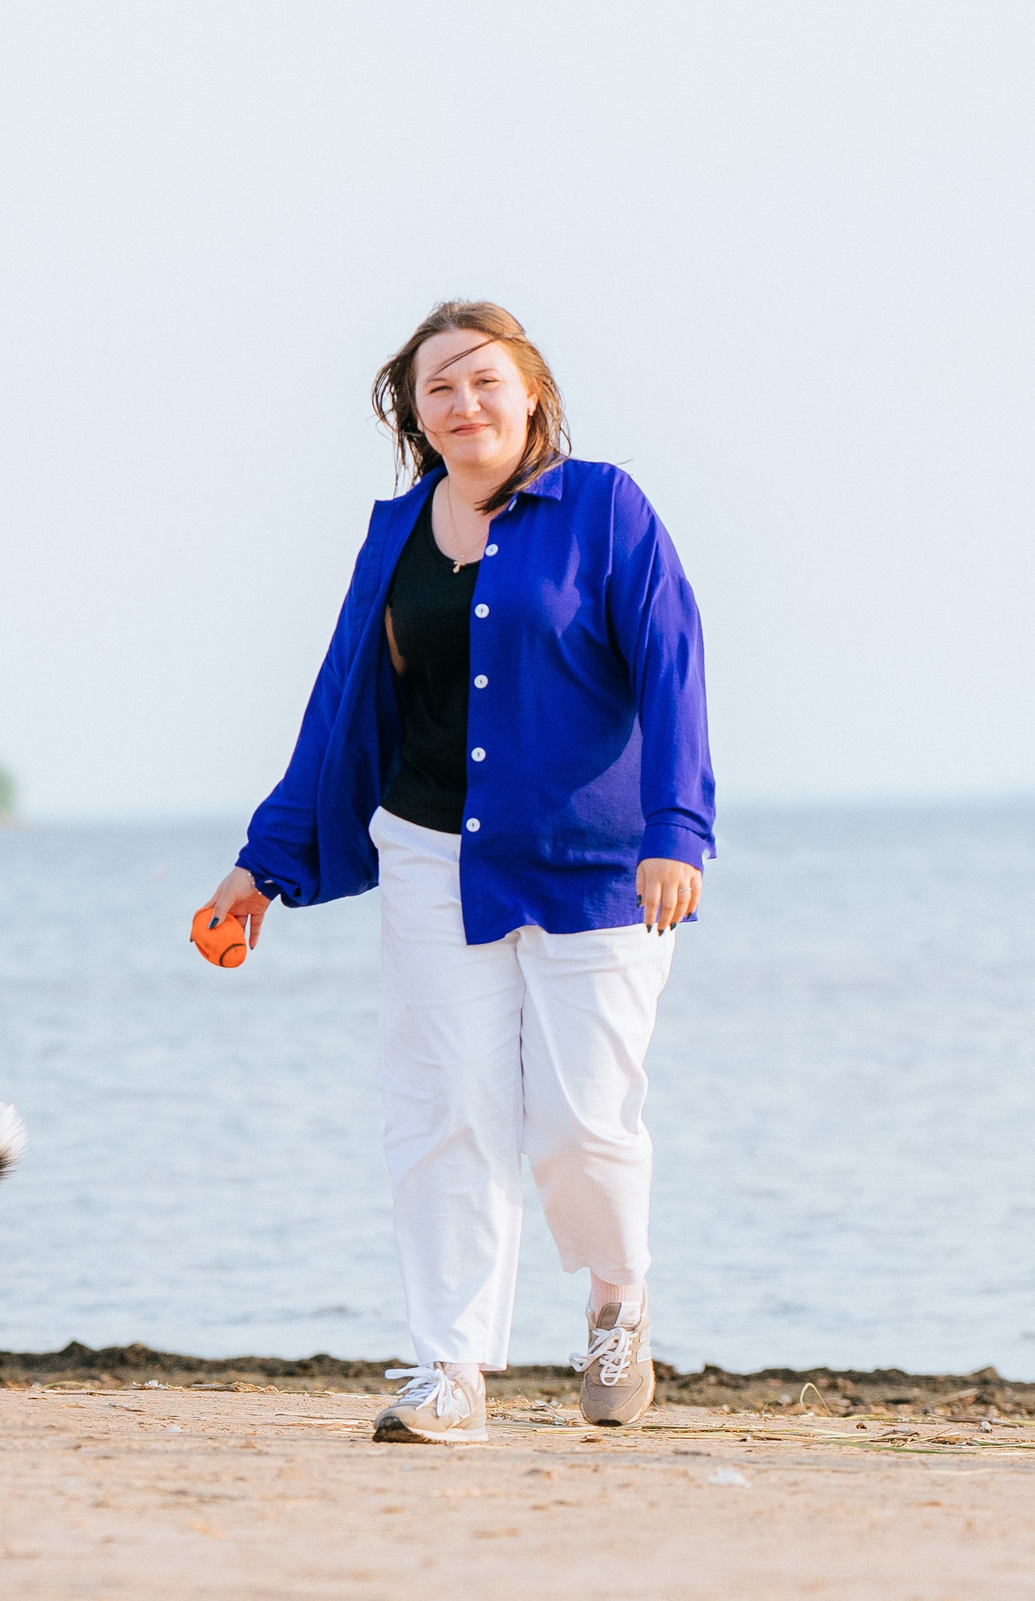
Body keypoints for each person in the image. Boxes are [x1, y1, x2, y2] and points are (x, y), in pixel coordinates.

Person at [203, 300, 713, 1443]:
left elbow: (673, 661)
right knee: (445, 1110)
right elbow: (341, 697)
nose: (463, 403)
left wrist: (676, 828)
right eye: (438, 387)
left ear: (531, 391)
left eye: (484, 381)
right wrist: (264, 862)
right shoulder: (394, 532)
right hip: (431, 852)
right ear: (412, 411)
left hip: (598, 870)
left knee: (580, 1123)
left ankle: (616, 1298)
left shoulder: (604, 506)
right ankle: (450, 1367)